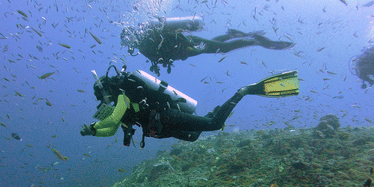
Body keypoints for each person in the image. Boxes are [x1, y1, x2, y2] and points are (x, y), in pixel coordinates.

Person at [80, 65, 300, 147]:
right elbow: (110, 131)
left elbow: (111, 119)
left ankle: (243, 91)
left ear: (108, 90)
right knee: (194, 136)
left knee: (213, 125)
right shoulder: (123, 108)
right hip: (160, 128)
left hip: (165, 116)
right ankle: (213, 113)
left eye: (103, 97)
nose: (104, 102)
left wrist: (95, 124)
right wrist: (92, 132)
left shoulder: (123, 96)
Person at [120, 16, 295, 76]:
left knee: (221, 48)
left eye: (128, 42)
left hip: (187, 47)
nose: (130, 45)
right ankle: (231, 34)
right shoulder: (144, 44)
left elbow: (165, 45)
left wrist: (186, 46)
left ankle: (257, 41)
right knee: (215, 44)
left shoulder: (145, 44)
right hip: (186, 50)